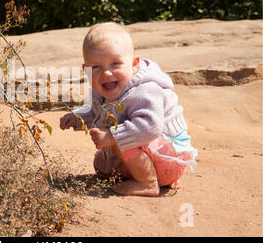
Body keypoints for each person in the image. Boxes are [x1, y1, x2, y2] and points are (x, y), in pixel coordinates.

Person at [60, 22, 197, 197]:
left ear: (134, 64)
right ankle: (153, 176)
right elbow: (97, 111)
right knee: (101, 164)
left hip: (169, 155)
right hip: (152, 156)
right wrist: (77, 118)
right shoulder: (100, 90)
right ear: (85, 70)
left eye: (115, 63)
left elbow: (150, 127)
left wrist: (111, 137)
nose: (106, 73)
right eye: (96, 67)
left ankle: (148, 183)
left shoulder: (145, 90)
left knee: (125, 142)